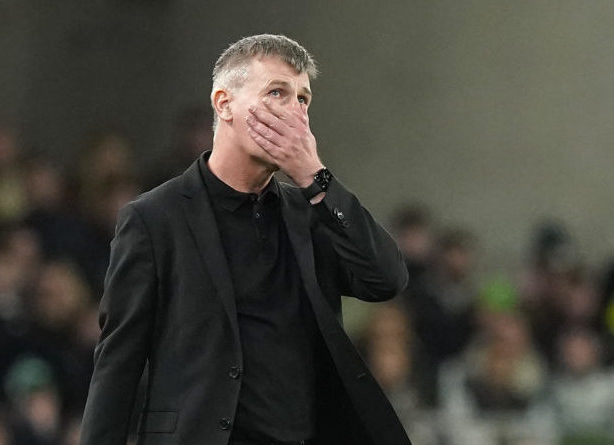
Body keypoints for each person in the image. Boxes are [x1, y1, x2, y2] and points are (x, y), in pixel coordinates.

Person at [80, 34, 410, 445]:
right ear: (224, 104)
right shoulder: (154, 218)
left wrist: (316, 178)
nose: (294, 113)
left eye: (303, 99)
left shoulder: (312, 213)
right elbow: (118, 364)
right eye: (277, 93)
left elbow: (386, 279)